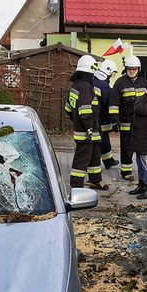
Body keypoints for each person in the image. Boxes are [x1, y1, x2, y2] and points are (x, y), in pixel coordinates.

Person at [63, 54, 107, 190]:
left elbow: (68, 108)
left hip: (86, 129)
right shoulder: (85, 87)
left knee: (94, 155)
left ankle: (95, 180)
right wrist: (88, 127)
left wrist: (76, 121)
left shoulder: (76, 86)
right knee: (82, 158)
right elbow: (85, 110)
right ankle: (76, 185)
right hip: (87, 131)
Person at [110, 54, 147, 182]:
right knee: (126, 147)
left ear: (138, 69)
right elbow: (114, 103)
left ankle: (143, 171)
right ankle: (126, 171)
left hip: (140, 122)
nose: (131, 71)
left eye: (134, 69)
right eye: (129, 69)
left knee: (140, 146)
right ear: (126, 69)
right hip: (125, 121)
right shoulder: (120, 82)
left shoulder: (143, 82)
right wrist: (114, 121)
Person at [94, 59, 119, 172]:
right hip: (101, 118)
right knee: (101, 140)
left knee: (104, 139)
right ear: (108, 71)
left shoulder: (93, 80)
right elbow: (109, 102)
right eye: (113, 73)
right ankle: (104, 162)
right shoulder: (104, 86)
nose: (112, 76)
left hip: (93, 117)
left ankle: (109, 161)